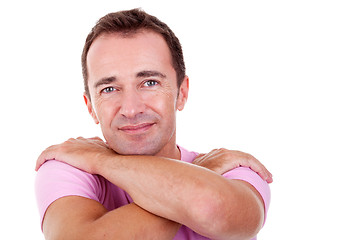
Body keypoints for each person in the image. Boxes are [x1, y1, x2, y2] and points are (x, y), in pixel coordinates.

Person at [35, 8, 272, 240]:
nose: (131, 109)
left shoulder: (234, 170)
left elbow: (210, 209)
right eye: (109, 89)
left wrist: (101, 160)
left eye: (149, 83)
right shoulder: (71, 169)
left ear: (182, 93)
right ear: (90, 107)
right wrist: (204, 174)